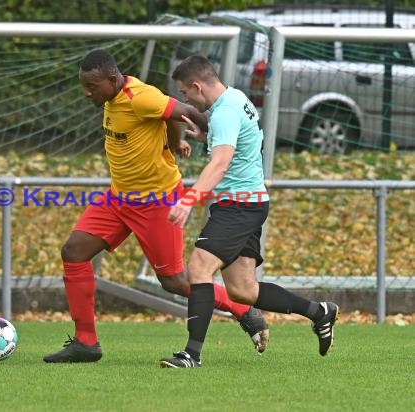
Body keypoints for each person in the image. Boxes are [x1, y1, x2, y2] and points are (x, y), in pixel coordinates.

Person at [43, 49, 270, 363]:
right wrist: (174, 141)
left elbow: (187, 111)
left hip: (157, 202)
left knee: (174, 280)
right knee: (73, 252)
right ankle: (85, 343)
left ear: (112, 79)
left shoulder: (141, 97)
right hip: (118, 198)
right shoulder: (111, 98)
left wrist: (203, 136)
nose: (87, 93)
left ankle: (244, 309)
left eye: (93, 87)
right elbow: (169, 116)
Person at [159, 55, 339, 368]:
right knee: (243, 290)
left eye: (185, 92)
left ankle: (191, 355)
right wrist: (208, 137)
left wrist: (189, 199)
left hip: (238, 205)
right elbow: (247, 142)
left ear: (198, 86)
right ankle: (319, 312)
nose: (184, 99)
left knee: (199, 268)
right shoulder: (236, 98)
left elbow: (221, 163)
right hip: (248, 202)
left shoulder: (226, 111)